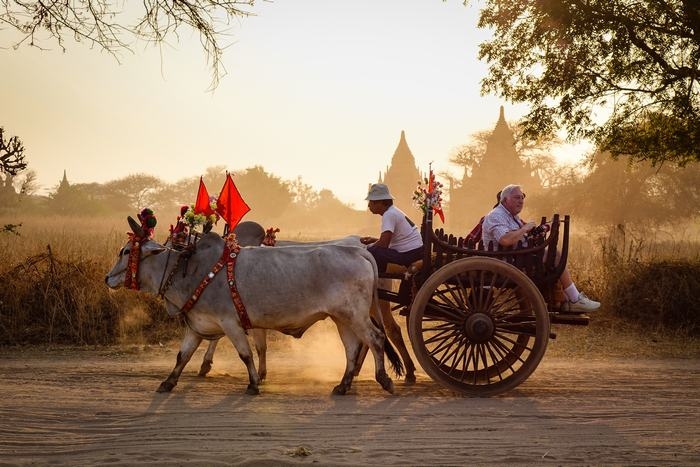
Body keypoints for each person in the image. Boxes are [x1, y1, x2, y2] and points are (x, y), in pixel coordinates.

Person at [482, 184, 600, 313]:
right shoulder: (496, 215)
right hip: (506, 262)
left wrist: (533, 231)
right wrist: (525, 229)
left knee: (553, 256)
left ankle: (566, 300)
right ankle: (574, 299)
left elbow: (519, 236)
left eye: (522, 198)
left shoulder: (511, 216)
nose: (521, 201)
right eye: (517, 197)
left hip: (516, 258)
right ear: (505, 200)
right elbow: (505, 239)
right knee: (554, 255)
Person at [360, 183, 423, 273]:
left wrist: (367, 248)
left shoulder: (389, 214)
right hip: (415, 251)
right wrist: (373, 240)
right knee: (373, 250)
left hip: (409, 254)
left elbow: (383, 244)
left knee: (370, 252)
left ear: (381, 202)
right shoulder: (393, 211)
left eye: (371, 202)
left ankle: (374, 276)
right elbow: (391, 240)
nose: (369, 206)